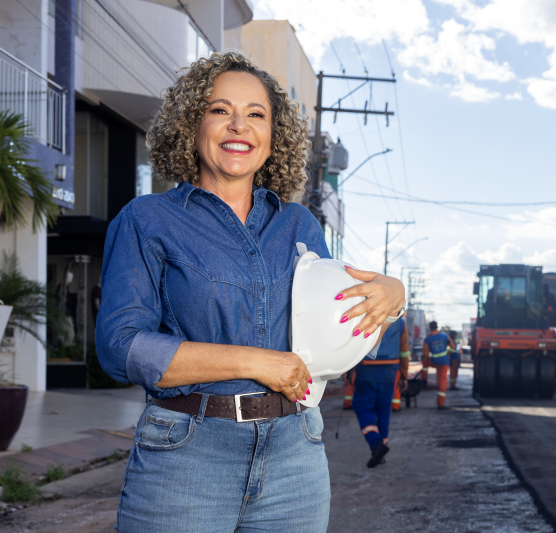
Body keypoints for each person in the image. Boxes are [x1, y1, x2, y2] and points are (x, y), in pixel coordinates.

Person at [95, 52, 405, 532]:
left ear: (272, 136)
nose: (238, 125)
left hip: (295, 453)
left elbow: (337, 322)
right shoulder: (147, 220)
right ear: (192, 124)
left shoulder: (299, 224)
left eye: (255, 114)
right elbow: (120, 347)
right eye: (220, 110)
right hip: (186, 456)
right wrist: (254, 362)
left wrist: (392, 293)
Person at [351, 318, 409, 467]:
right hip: (390, 371)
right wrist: (404, 375)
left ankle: (375, 443)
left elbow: (352, 344)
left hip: (367, 369)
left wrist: (349, 370)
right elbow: (404, 350)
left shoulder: (364, 315)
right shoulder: (400, 322)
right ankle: (380, 451)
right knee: (383, 412)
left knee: (362, 407)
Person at [422, 322, 456, 410]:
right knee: (442, 382)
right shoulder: (445, 336)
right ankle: (441, 403)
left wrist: (426, 359)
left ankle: (424, 380)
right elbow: (453, 347)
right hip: (444, 363)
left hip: (434, 362)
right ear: (437, 327)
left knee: (424, 361)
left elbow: (425, 354)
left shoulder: (427, 339)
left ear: (430, 328)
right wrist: (448, 353)